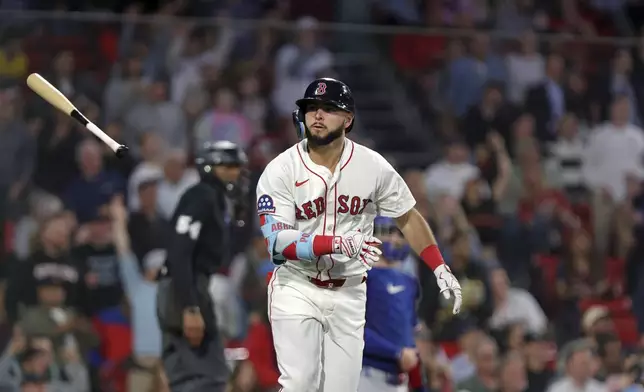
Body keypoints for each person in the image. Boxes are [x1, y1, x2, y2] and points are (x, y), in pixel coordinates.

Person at [256, 77, 463, 392]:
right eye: (312, 108)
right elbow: (278, 243)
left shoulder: (371, 166)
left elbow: (408, 217)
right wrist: (337, 243)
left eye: (329, 108)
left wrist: (438, 265)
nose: (318, 115)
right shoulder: (280, 171)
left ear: (348, 119)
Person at [157, 141, 248, 392]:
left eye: (237, 166)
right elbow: (180, 251)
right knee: (203, 378)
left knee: (194, 377)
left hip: (188, 285)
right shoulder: (200, 195)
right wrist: (189, 306)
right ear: (209, 168)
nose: (236, 172)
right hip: (185, 286)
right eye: (228, 165)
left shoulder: (213, 199)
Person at [359, 216, 423, 392]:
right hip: (366, 375)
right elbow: (352, 331)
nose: (395, 240)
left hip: (400, 381)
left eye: (400, 235)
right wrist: (395, 353)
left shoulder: (410, 282)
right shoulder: (361, 276)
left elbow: (409, 340)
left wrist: (419, 384)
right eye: (389, 233)